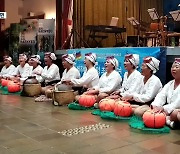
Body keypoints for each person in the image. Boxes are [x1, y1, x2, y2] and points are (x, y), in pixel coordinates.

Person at [135, 58, 180, 129]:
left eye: (176, 67)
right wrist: (155, 106)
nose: (173, 69)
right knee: (140, 112)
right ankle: (168, 121)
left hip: (174, 110)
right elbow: (161, 96)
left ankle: (167, 120)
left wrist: (163, 108)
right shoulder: (170, 83)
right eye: (172, 67)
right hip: (165, 110)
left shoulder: (155, 80)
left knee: (175, 113)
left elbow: (177, 104)